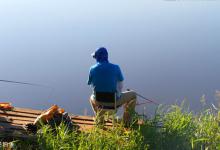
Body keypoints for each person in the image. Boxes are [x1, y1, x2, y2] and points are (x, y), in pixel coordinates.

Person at [88, 47, 137, 125]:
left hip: (99, 103)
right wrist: (118, 95)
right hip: (114, 103)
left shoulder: (92, 69)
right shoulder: (116, 67)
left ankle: (100, 119)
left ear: (97, 57)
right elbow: (120, 85)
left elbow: (91, 84)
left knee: (91, 97)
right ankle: (126, 121)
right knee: (133, 95)